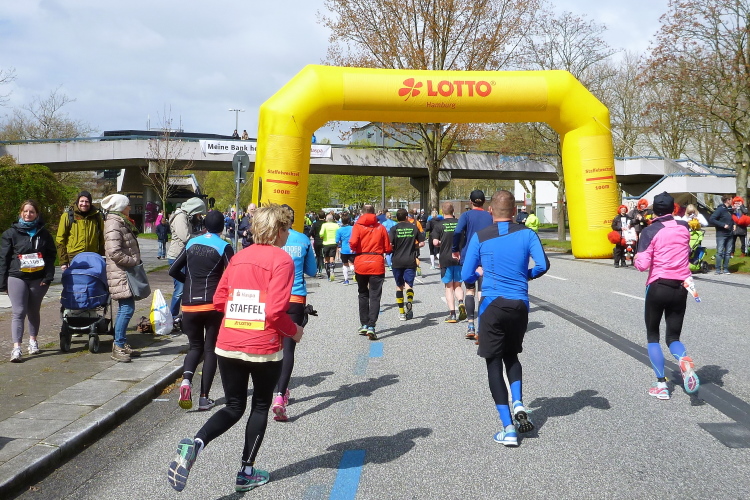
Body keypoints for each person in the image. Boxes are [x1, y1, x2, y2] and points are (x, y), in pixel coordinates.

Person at [167, 204, 304, 493]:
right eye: (287, 228)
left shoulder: (240, 257)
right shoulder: (282, 260)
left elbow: (219, 300)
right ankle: (246, 472)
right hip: (263, 346)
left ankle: (195, 444)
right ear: (279, 230)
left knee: (233, 406)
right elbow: (274, 311)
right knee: (261, 406)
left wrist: (241, 312)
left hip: (228, 343)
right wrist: (295, 331)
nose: (288, 233)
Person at [461, 190, 549, 447]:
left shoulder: (480, 236)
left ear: (490, 211)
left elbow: (466, 275)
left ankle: (508, 428)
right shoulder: (528, 234)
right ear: (514, 212)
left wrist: (479, 274)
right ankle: (518, 402)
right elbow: (543, 265)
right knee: (512, 355)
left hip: (492, 305)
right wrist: (525, 276)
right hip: (519, 304)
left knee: (493, 363)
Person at [634, 191, 700, 400]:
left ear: (654, 210)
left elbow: (642, 265)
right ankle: (683, 360)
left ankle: (661, 385)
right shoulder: (684, 227)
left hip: (658, 285)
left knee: (653, 336)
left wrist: (636, 255)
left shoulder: (650, 230)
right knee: (673, 337)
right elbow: (685, 251)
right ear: (673, 209)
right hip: (680, 287)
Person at [169, 210, 234, 411]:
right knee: (210, 349)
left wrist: (188, 282)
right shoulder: (224, 246)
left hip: (189, 304)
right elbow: (233, 274)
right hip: (212, 304)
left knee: (194, 347)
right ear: (222, 227)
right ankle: (204, 398)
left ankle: (186, 381)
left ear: (204, 225)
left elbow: (173, 270)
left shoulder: (191, 243)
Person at [271, 204, 316, 421]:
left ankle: (269, 389)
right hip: (296, 298)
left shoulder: (270, 240)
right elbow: (312, 270)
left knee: (272, 345)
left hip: (272, 296)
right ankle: (280, 395)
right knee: (288, 348)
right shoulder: (303, 239)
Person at [0, 200, 56, 362]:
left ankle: (33, 341)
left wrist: (48, 277)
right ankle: (16, 348)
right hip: (16, 277)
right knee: (18, 312)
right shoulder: (10, 234)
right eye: (25, 211)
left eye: (31, 212)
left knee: (33, 311)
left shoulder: (44, 234)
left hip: (38, 279)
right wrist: (2, 283)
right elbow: (3, 259)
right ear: (21, 213)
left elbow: (51, 256)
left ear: (37, 214)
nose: (28, 214)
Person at [101, 194, 143, 363]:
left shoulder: (119, 221)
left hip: (123, 272)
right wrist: (132, 261)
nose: (130, 208)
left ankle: (121, 343)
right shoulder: (114, 223)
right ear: (120, 207)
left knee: (125, 308)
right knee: (127, 308)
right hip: (121, 272)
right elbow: (114, 251)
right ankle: (118, 346)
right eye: (128, 205)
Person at [452, 190, 493, 340]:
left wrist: (455, 249)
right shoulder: (490, 216)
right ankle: (482, 327)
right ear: (484, 202)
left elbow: (457, 232)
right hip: (486, 256)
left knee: (470, 290)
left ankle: (470, 325)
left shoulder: (466, 215)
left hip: (469, 256)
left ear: (470, 201)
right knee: (482, 291)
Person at [349, 204, 392, 340]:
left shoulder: (357, 226)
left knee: (363, 293)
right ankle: (372, 326)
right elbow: (387, 248)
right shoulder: (381, 227)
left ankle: (364, 324)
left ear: (362, 213)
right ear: (374, 213)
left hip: (361, 261)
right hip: (376, 262)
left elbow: (353, 243)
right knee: (375, 295)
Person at [167, 198, 208, 327]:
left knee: (184, 287)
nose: (199, 216)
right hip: (177, 256)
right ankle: (173, 316)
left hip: (183, 255)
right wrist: (201, 237)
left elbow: (188, 234)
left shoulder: (185, 216)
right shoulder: (180, 217)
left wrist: (199, 233)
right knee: (179, 289)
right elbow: (185, 237)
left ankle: (182, 315)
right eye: (198, 213)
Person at [432, 202, 465, 323]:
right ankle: (461, 302)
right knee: (458, 285)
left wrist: (442, 242)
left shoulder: (439, 225)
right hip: (459, 257)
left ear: (442, 211)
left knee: (449, 287)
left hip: (445, 258)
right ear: (453, 211)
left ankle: (452, 314)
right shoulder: (460, 223)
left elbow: (435, 242)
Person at [389, 209, 425, 321]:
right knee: (409, 285)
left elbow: (390, 245)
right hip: (410, 260)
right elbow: (422, 243)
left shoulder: (393, 229)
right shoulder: (413, 227)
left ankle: (401, 312)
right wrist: (414, 246)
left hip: (397, 260)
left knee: (399, 286)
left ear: (397, 218)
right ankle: (409, 301)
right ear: (406, 217)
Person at [56, 191, 105, 271]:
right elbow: (60, 239)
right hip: (73, 257)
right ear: (77, 202)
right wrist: (63, 261)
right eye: (81, 201)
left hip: (92, 256)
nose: (84, 204)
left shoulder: (97, 216)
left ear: (90, 202)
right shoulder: (68, 216)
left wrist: (102, 257)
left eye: (87, 201)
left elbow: (102, 238)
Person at [708, 195, 735, 275]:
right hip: (721, 234)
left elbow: (731, 219)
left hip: (730, 233)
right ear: (727, 200)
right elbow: (712, 219)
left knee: (728, 252)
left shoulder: (730, 210)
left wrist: (734, 224)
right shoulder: (720, 209)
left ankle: (726, 268)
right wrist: (723, 225)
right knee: (720, 252)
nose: (732, 201)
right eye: (731, 200)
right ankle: (718, 269)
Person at [336, 213, 356, 285]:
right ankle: (354, 273)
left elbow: (337, 240)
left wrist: (339, 246)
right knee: (352, 263)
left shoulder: (339, 230)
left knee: (345, 264)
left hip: (344, 249)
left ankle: (346, 280)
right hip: (352, 249)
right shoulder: (353, 228)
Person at [319, 214, 340, 281]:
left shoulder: (324, 225)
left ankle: (328, 275)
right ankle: (332, 270)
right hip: (334, 243)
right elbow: (338, 233)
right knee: (332, 257)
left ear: (326, 219)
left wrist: (322, 237)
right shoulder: (336, 225)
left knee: (326, 259)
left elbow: (321, 234)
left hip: (326, 243)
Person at [310, 210, 326, 277]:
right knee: (322, 255)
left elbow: (311, 232)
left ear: (318, 216)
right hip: (324, 241)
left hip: (317, 241)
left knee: (317, 255)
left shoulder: (315, 224)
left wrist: (313, 236)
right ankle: (320, 270)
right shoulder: (325, 223)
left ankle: (316, 269)